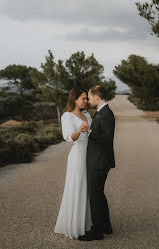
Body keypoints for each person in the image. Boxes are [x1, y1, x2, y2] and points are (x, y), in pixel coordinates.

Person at [54, 87, 93, 239]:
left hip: (90, 155)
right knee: (78, 188)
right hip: (78, 156)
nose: (86, 101)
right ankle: (76, 229)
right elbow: (68, 137)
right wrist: (79, 131)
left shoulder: (87, 114)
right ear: (74, 99)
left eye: (86, 98)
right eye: (83, 98)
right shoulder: (67, 116)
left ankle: (86, 224)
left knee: (88, 189)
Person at [78, 85, 115, 241]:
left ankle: (97, 231)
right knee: (98, 194)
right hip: (97, 160)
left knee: (95, 195)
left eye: (90, 97)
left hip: (100, 161)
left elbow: (107, 139)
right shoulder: (101, 112)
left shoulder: (106, 114)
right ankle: (105, 225)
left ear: (97, 97)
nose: (89, 100)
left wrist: (90, 132)